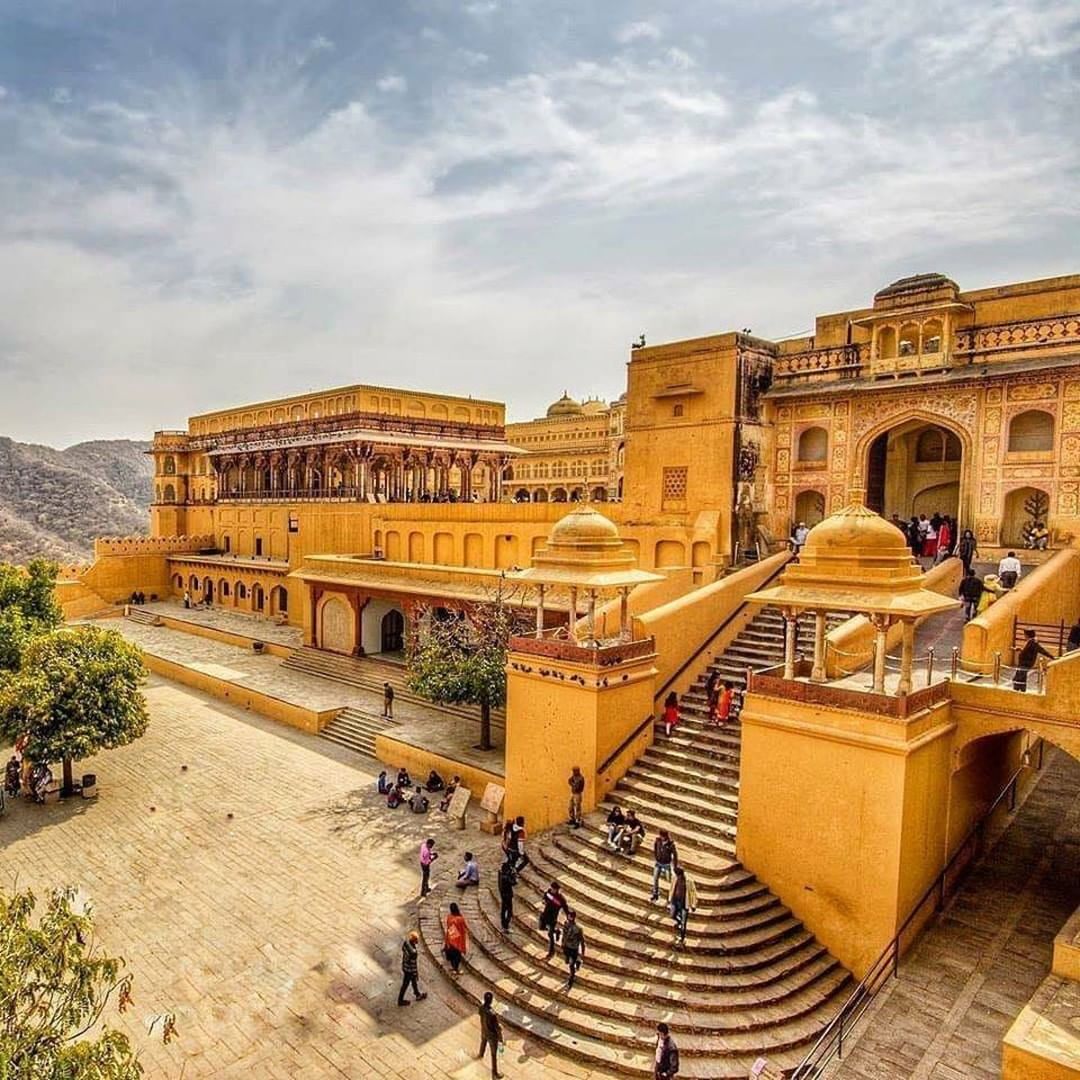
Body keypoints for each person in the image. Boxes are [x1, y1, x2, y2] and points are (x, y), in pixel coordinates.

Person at [477, 991, 504, 1079]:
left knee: (483, 1043)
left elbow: (480, 1015)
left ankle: (480, 1055)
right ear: (491, 1001)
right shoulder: (493, 1014)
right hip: (492, 1036)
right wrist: (500, 1039)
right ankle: (495, 1072)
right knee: (493, 1054)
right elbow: (497, 1027)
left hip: (484, 1030)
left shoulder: (481, 1007)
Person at [668, 866, 698, 947]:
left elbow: (693, 893)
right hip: (675, 901)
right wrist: (670, 898)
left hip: (684, 904)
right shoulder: (675, 878)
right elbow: (672, 888)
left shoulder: (689, 881)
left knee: (684, 923)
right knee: (672, 915)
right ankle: (678, 922)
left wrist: (693, 904)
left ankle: (682, 938)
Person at [397, 930, 427, 1006]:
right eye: (417, 940)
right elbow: (413, 965)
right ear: (415, 940)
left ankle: (417, 994)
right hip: (409, 970)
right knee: (405, 985)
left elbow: (403, 949)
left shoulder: (406, 943)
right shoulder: (413, 952)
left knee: (413, 982)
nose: (418, 941)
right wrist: (416, 974)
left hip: (404, 966)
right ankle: (400, 1000)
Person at [539, 880, 566, 959]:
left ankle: (551, 951)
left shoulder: (560, 898)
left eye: (553, 889)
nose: (551, 890)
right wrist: (544, 901)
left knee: (550, 935)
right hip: (545, 914)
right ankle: (557, 931)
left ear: (556, 889)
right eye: (551, 888)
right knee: (541, 927)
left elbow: (561, 905)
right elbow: (544, 898)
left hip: (552, 917)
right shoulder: (548, 893)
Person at [561, 909, 586, 990]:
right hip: (566, 948)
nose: (569, 917)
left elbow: (582, 941)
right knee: (567, 961)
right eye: (568, 916)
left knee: (571, 966)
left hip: (574, 949)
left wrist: (582, 952)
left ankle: (569, 983)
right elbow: (564, 935)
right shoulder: (566, 925)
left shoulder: (578, 929)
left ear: (573, 917)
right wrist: (563, 944)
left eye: (570, 916)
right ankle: (578, 962)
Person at [442, 901, 470, 975]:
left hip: (450, 938)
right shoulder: (460, 919)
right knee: (457, 956)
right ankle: (455, 969)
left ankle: (454, 968)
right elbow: (464, 928)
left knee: (452, 954)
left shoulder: (449, 917)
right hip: (457, 940)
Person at [650, 829, 677, 902]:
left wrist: (675, 866)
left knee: (669, 880)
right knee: (655, 878)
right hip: (658, 863)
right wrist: (656, 857)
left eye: (662, 836)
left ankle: (673, 894)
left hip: (666, 864)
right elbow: (655, 849)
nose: (661, 837)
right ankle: (655, 894)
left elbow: (675, 855)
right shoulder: (658, 841)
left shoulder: (671, 844)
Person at [497, 858, 517, 931]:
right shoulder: (506, 877)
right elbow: (514, 882)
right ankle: (506, 926)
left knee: (503, 910)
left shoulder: (500, 874)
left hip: (503, 894)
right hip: (507, 896)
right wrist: (514, 875)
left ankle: (503, 924)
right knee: (509, 911)